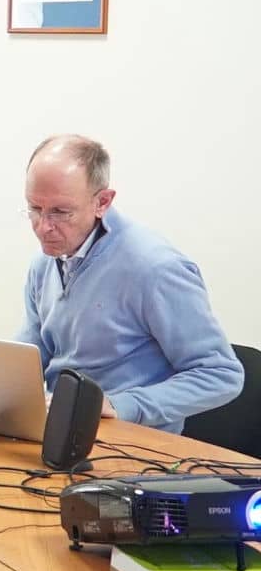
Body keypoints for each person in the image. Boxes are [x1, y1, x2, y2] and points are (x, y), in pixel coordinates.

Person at [18, 135, 241, 433]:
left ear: (102, 202)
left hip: (132, 446)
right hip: (60, 426)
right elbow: (31, 354)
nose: (43, 227)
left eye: (60, 212)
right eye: (34, 208)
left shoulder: (155, 269)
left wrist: (120, 405)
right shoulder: (46, 262)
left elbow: (221, 375)